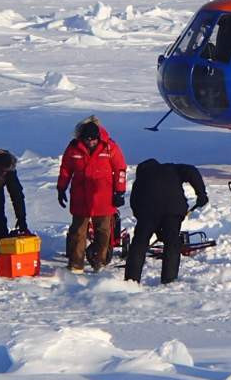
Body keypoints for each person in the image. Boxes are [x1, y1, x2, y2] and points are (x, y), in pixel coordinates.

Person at [57, 117, 126, 273]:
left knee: (103, 232)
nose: (91, 143)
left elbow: (120, 169)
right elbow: (66, 169)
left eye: (93, 140)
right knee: (78, 231)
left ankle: (99, 262)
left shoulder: (110, 147)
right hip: (81, 197)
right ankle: (76, 264)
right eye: (88, 140)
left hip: (103, 197)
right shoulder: (73, 148)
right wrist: (61, 187)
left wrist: (120, 191)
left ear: (98, 137)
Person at [125, 159, 208, 284]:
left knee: (139, 244)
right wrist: (201, 193)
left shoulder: (142, 178)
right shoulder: (172, 168)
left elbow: (134, 202)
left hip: (148, 213)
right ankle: (169, 279)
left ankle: (131, 280)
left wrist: (144, 221)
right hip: (173, 210)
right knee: (172, 243)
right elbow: (192, 170)